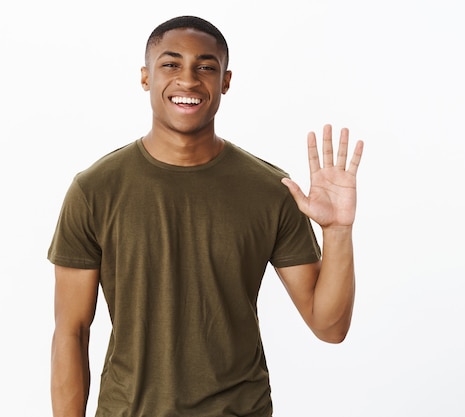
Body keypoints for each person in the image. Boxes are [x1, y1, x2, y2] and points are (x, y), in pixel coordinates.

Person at [48, 15, 363, 417]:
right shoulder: (94, 191)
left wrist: (337, 231)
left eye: (205, 67)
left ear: (225, 82)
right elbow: (71, 333)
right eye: (171, 64)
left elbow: (330, 326)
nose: (188, 80)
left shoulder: (271, 191)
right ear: (145, 77)